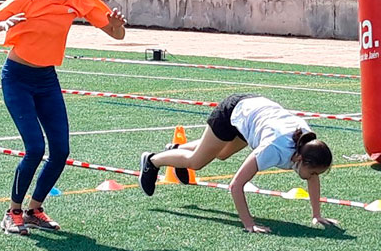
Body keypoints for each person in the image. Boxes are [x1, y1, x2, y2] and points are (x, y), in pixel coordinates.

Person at [0, 0, 127, 235]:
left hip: (47, 79)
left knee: (60, 151)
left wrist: (117, 26)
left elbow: (116, 33)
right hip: (18, 78)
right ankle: (13, 212)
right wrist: (1, 25)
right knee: (35, 148)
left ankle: (35, 210)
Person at [138, 94, 338, 233]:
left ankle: (177, 149)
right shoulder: (273, 149)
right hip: (232, 112)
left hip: (253, 114)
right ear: (301, 159)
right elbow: (236, 185)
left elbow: (312, 179)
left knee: (221, 154)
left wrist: (317, 215)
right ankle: (153, 160)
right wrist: (249, 224)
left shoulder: (307, 144)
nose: (314, 178)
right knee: (196, 162)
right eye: (313, 173)